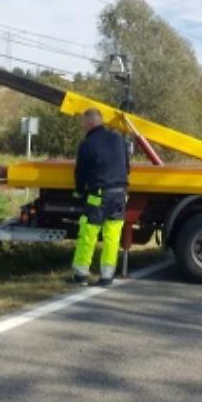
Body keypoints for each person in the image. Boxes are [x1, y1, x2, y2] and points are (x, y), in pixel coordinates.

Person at [70, 107, 130, 286]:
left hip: (99, 194)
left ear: (89, 122)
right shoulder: (118, 139)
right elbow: (126, 166)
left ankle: (81, 273)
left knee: (89, 233)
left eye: (83, 123)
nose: (82, 126)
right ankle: (107, 275)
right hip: (120, 193)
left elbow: (80, 172)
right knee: (112, 235)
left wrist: (79, 191)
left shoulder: (87, 144)